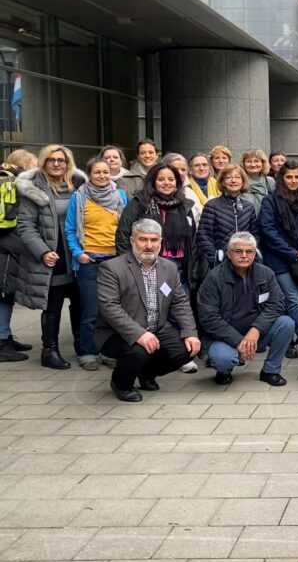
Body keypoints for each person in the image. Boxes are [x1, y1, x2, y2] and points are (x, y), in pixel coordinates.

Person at [95, 219, 201, 402]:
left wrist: (190, 333)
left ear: (161, 241)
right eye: (143, 239)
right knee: (138, 350)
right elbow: (109, 307)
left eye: (154, 240)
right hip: (116, 333)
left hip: (157, 328)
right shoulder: (112, 268)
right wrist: (139, 334)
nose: (149, 245)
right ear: (132, 241)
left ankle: (146, 373)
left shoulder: (169, 267)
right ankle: (121, 384)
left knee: (187, 350)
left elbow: (180, 302)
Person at [15, 144, 84, 370]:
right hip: (52, 255)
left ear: (68, 163)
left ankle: (83, 346)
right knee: (53, 304)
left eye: (61, 160)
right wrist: (43, 251)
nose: (56, 164)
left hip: (77, 253)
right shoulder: (33, 189)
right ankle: (49, 350)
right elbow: (25, 227)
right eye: (51, 160)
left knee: (81, 302)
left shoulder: (79, 185)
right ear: (43, 163)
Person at [197, 231, 293, 386]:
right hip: (223, 337)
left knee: (286, 323)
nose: (244, 255)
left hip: (256, 334)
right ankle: (223, 372)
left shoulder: (266, 273)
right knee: (223, 359)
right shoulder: (214, 278)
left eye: (249, 252)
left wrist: (256, 330)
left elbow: (277, 303)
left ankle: (270, 371)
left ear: (255, 254)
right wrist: (239, 340)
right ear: (229, 254)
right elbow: (208, 318)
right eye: (238, 251)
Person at [65, 156, 128, 371]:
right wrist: (78, 253)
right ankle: (87, 352)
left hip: (116, 260)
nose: (102, 176)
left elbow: (126, 228)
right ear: (89, 175)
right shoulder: (79, 197)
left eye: (105, 172)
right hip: (89, 260)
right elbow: (71, 229)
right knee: (91, 311)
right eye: (97, 173)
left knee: (112, 311)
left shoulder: (120, 195)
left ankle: (108, 351)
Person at [259, 160, 298, 354]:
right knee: (294, 299)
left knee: (291, 301)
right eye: (289, 177)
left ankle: (287, 339)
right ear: (281, 178)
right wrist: (292, 253)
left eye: (297, 177)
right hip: (280, 260)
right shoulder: (270, 201)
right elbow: (269, 232)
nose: (293, 181)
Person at [117, 163, 203, 294]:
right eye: (161, 179)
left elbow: (193, 242)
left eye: (171, 179)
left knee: (179, 310)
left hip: (179, 268)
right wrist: (130, 267)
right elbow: (123, 235)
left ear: (177, 182)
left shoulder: (184, 205)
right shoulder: (140, 203)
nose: (167, 183)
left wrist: (193, 272)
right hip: (146, 266)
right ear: (153, 181)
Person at [0, 150, 37, 362]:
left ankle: (5, 335)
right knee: (4, 294)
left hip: (5, 243)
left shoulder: (4, 180)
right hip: (9, 244)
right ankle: (2, 341)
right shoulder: (18, 182)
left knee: (7, 293)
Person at [197, 165, 260, 268]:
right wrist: (215, 258)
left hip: (246, 261)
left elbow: (255, 234)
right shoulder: (212, 205)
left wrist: (251, 253)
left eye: (237, 177)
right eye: (228, 177)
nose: (233, 180)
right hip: (221, 263)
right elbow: (204, 236)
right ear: (222, 182)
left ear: (243, 182)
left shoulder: (248, 206)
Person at [159, 153, 202, 225]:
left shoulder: (190, 193)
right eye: (175, 169)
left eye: (183, 169)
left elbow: (199, 219)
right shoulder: (154, 194)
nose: (180, 173)